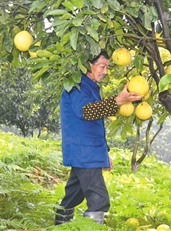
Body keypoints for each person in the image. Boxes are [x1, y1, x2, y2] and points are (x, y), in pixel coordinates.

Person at [55, 51, 143, 225]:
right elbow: (86, 111)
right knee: (99, 199)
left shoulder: (91, 87)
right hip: (84, 152)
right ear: (89, 64)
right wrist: (117, 101)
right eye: (102, 66)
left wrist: (104, 154)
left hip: (87, 152)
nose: (105, 71)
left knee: (74, 194)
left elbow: (94, 126)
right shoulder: (77, 86)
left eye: (107, 67)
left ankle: (60, 227)